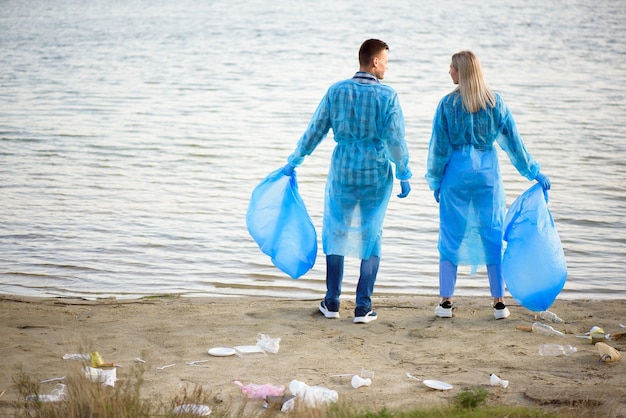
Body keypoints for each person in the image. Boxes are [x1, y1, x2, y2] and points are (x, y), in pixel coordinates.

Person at [282, 39, 412, 324]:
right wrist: (403, 172)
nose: (387, 67)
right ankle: (363, 307)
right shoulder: (388, 97)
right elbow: (395, 140)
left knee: (336, 232)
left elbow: (315, 130)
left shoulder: (337, 91)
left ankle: (332, 301)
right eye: (386, 62)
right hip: (376, 175)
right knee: (372, 235)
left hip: (342, 173)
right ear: (375, 61)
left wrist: (295, 160)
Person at [425, 50, 551, 320]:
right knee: (492, 233)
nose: (449, 71)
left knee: (451, 235)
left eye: (452, 67)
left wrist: (435, 180)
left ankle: (445, 302)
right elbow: (513, 144)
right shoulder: (495, 103)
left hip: (455, 177)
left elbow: (438, 149)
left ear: (462, 72)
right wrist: (533, 172)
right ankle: (499, 303)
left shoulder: (447, 105)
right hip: (487, 177)